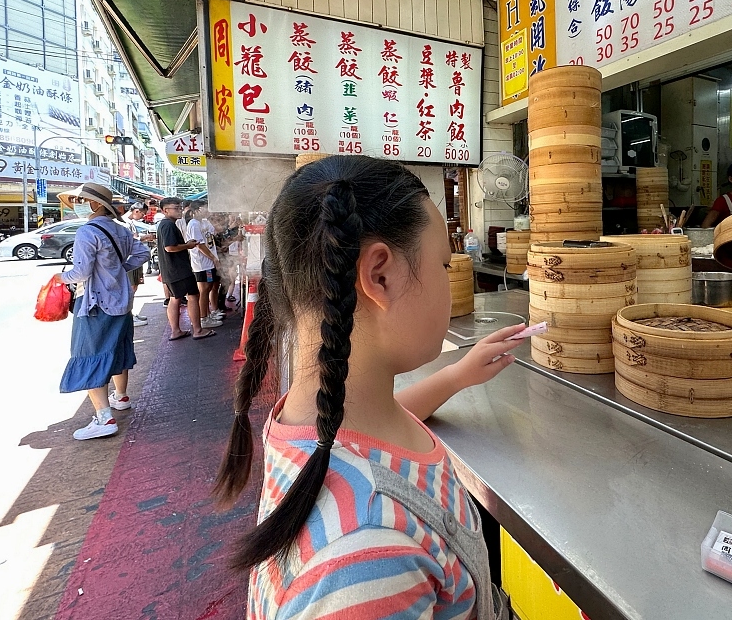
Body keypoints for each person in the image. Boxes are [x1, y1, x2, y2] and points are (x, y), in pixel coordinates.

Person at [213, 156, 521, 618]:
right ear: (380, 275)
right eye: (443, 263)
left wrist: (458, 374)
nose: (452, 276)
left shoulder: (317, 418)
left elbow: (384, 427)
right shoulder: (365, 559)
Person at [54, 183, 150, 440]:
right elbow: (143, 253)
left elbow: (81, 273)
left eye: (80, 199)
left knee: (90, 355)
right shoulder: (120, 229)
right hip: (121, 300)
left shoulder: (87, 232)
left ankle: (104, 418)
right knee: (117, 348)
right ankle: (121, 396)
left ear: (96, 204)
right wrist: (119, 269)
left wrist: (59, 277)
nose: (77, 203)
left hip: (96, 303)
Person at [156, 197, 219, 341]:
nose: (179, 210)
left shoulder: (166, 224)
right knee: (193, 296)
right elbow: (170, 247)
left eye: (179, 207)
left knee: (175, 299)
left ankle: (176, 331)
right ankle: (197, 329)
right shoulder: (168, 225)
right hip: (179, 269)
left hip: (171, 269)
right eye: (175, 208)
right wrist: (188, 245)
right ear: (165, 210)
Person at [184, 202, 224, 324]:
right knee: (204, 289)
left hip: (209, 262)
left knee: (209, 287)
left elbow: (214, 233)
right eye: (205, 208)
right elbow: (200, 245)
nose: (208, 210)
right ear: (197, 210)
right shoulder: (194, 224)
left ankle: (207, 313)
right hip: (202, 263)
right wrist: (213, 257)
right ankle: (203, 318)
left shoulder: (205, 222)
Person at [121, 202, 154, 326]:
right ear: (136, 211)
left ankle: (131, 313)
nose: (143, 216)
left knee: (134, 286)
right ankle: (128, 315)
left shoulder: (129, 223)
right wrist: (144, 238)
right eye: (143, 213)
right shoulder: (123, 223)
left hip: (135, 260)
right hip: (130, 260)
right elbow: (129, 242)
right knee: (131, 287)